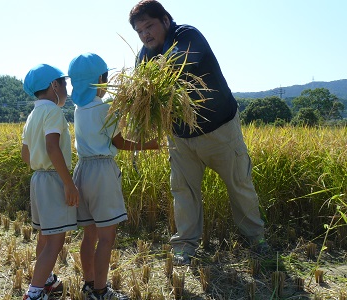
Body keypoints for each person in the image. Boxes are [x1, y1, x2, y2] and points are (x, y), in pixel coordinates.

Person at [129, 0, 269, 265]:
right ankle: (184, 246)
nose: (145, 34)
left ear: (166, 21)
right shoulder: (144, 57)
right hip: (181, 138)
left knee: (239, 184)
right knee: (183, 191)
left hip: (220, 130)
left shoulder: (187, 36)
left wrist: (149, 79)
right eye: (139, 31)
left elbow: (179, 61)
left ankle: (255, 239)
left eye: (149, 26)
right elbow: (143, 93)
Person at [68, 52, 159, 300]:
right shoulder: (106, 108)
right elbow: (119, 142)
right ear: (99, 78)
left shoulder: (78, 108)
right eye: (106, 77)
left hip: (82, 170)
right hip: (102, 172)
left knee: (90, 234)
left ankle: (89, 284)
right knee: (107, 237)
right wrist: (148, 145)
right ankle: (100, 290)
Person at [21, 64, 79, 300]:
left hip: (37, 179)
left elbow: (26, 154)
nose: (67, 89)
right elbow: (52, 147)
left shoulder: (32, 115)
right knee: (56, 240)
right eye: (64, 84)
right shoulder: (53, 112)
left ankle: (46, 281)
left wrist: (40, 166)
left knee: (45, 235)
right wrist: (68, 183)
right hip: (54, 179)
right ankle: (34, 293)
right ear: (54, 85)